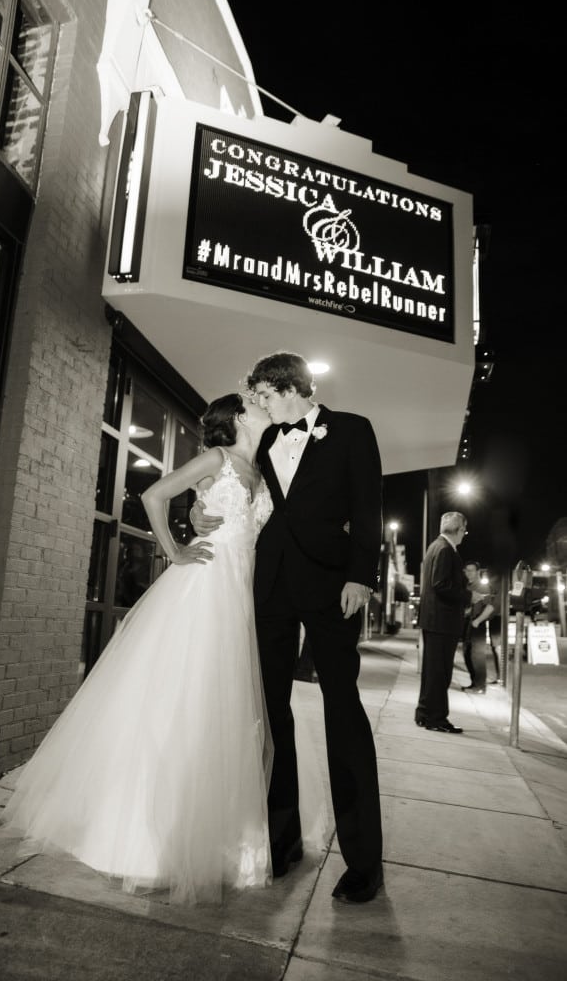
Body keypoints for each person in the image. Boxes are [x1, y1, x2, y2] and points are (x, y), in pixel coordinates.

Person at [1, 393, 276, 905]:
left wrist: (200, 509)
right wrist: (174, 550)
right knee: (176, 703)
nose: (263, 404)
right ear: (238, 416)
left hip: (238, 596)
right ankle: (141, 843)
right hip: (203, 590)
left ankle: (202, 833)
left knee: (211, 713)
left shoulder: (258, 469)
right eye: (255, 401)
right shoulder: (216, 459)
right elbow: (154, 496)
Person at [191, 352, 384, 904]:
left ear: (284, 387)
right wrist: (197, 514)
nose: (257, 405)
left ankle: (364, 862)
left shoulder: (352, 430)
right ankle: (281, 840)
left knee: (341, 708)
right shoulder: (264, 440)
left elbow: (369, 507)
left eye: (262, 395)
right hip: (270, 585)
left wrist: (361, 578)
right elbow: (223, 485)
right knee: (270, 711)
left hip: (331, 588)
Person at [415, 511, 471, 733]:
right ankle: (436, 718)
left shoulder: (434, 546)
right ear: (458, 530)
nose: (464, 535)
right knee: (440, 673)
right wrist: (468, 596)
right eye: (464, 531)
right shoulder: (446, 550)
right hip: (442, 621)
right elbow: (441, 584)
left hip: (433, 620)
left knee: (432, 672)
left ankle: (424, 713)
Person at [461, 560, 497, 693]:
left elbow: (490, 606)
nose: (468, 573)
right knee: (467, 655)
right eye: (466, 570)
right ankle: (474, 684)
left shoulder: (482, 587)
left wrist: (478, 621)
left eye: (471, 570)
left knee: (477, 656)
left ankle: (480, 686)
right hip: (467, 625)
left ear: (478, 572)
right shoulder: (466, 586)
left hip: (477, 625)